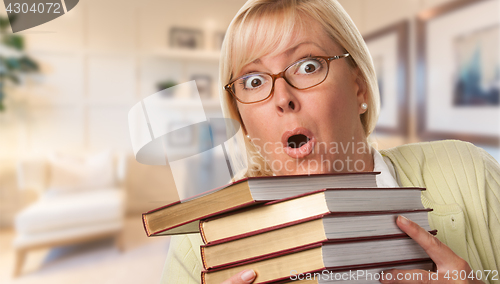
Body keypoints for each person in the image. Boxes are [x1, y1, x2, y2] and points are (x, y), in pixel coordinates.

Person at [161, 0, 500, 283]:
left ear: (359, 87)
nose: (282, 98)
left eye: (307, 66)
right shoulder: (203, 241)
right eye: (253, 81)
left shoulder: (469, 173)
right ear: (241, 117)